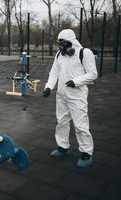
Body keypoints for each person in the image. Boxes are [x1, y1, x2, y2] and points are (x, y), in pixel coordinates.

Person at [43, 29, 98, 168]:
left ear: (71, 41)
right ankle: (62, 147)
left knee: (80, 125)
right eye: (59, 43)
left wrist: (76, 81)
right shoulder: (59, 55)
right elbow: (53, 73)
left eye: (63, 43)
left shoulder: (84, 53)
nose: (60, 46)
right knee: (61, 122)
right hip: (61, 95)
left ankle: (86, 153)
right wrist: (48, 87)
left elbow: (93, 74)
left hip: (77, 95)